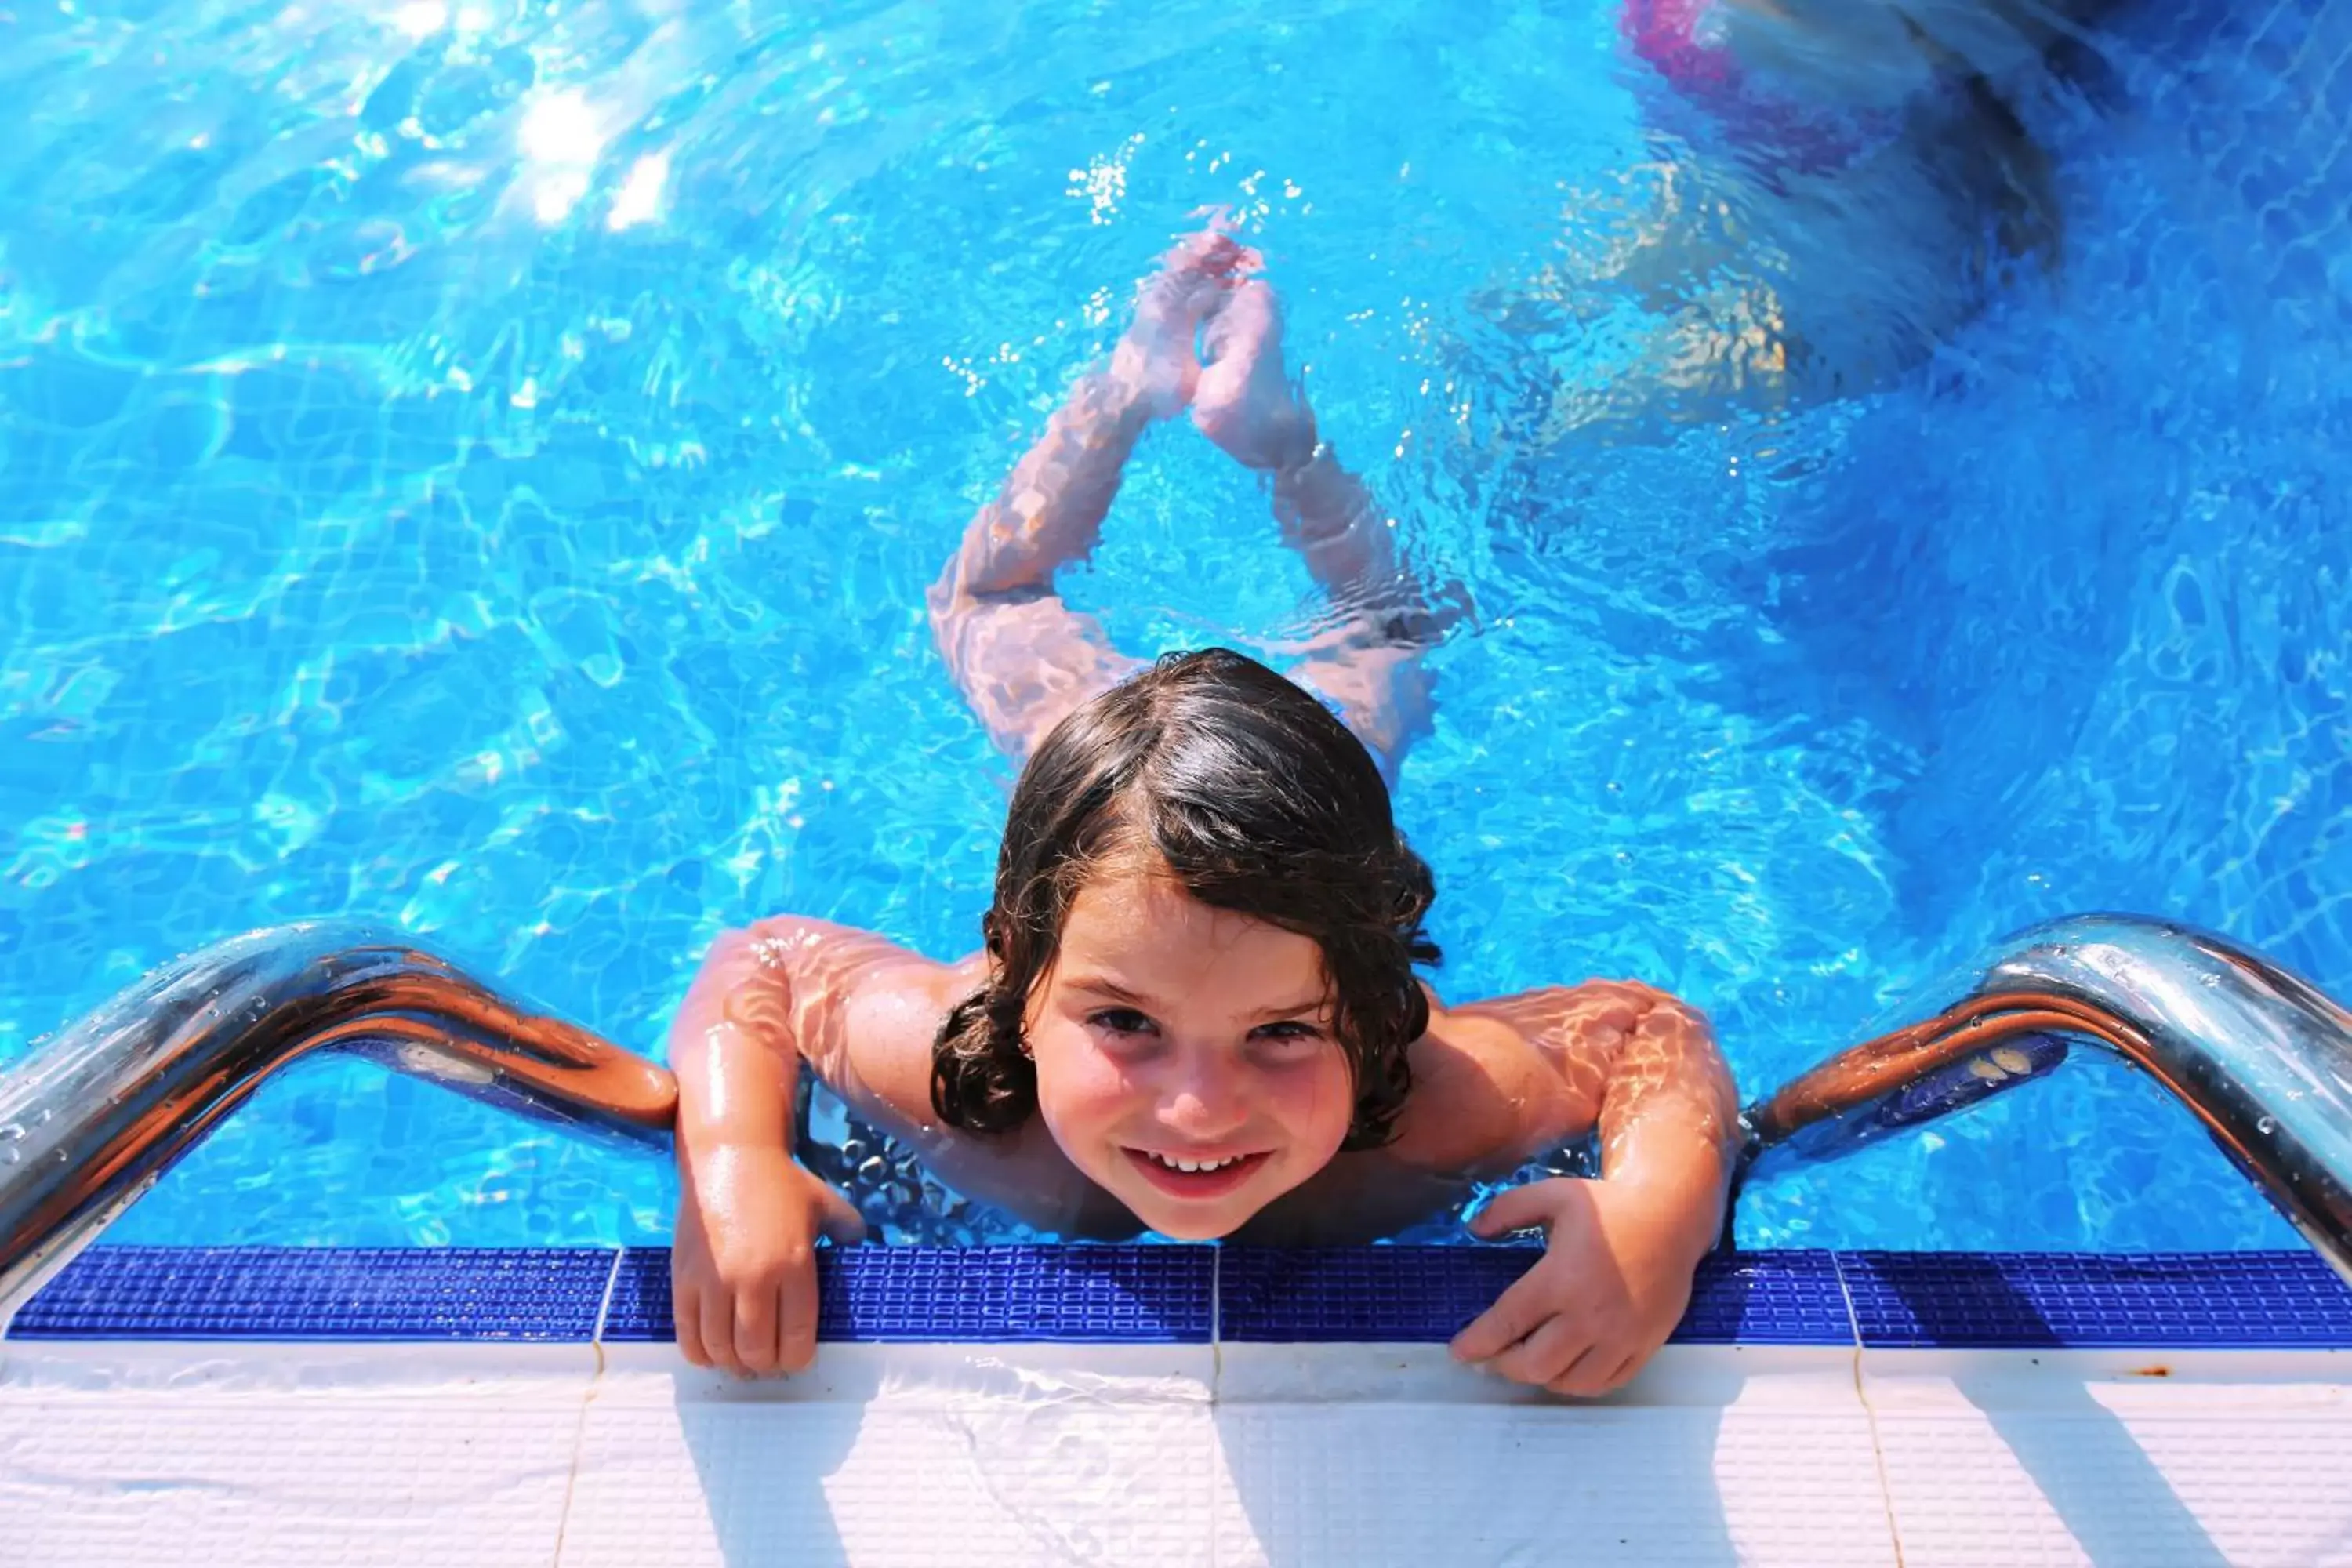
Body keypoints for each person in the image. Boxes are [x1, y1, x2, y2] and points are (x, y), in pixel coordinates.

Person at [666, 229, 1741, 1396]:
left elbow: (1646, 1036)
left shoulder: (1436, 1107)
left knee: (1391, 634)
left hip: (1295, 793)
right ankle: (1132, 384)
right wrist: (731, 1159)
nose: (1196, 1110)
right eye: (1123, 1024)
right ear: (1016, 976)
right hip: (1105, 787)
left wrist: (1652, 1219)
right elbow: (766, 967)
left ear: (1377, 1010)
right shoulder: (949, 1072)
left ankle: (1281, 438)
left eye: (1283, 1031)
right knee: (989, 599)